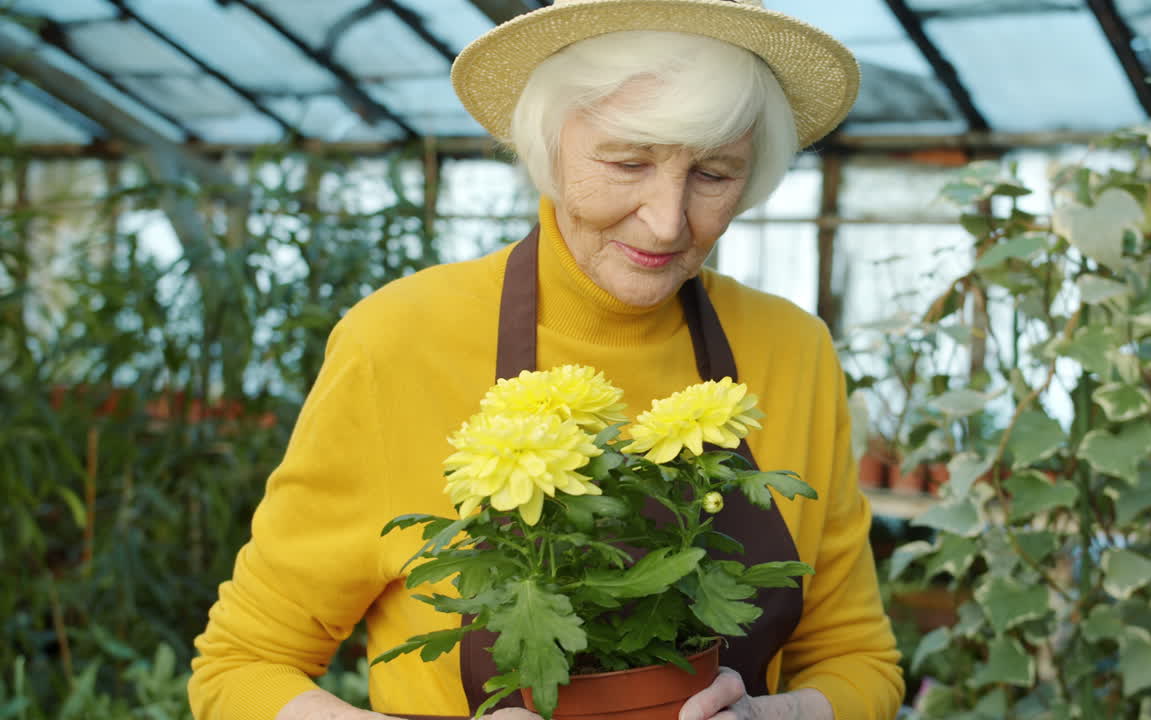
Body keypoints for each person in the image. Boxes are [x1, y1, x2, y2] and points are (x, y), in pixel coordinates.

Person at [188, 0, 904, 718]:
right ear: (548, 144)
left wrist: (782, 715)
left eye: (714, 175)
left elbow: (855, 656)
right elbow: (243, 666)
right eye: (627, 162)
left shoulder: (793, 349)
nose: (667, 219)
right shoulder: (398, 341)